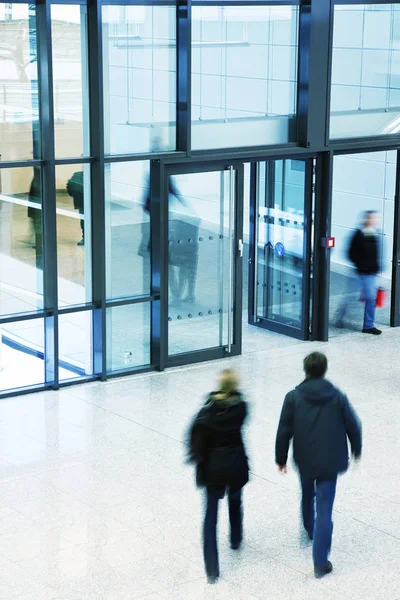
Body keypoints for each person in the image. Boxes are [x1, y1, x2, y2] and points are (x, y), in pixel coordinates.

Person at [275, 352, 362, 579]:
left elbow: (283, 430)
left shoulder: (293, 397)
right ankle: (320, 562)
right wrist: (356, 448)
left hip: (305, 458)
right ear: (324, 370)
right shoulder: (337, 396)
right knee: (325, 508)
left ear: (306, 370)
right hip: (330, 460)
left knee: (306, 493)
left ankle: (309, 528)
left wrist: (281, 458)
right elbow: (353, 424)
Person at [187, 369, 249, 584]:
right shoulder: (241, 407)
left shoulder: (208, 413)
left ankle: (212, 568)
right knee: (235, 500)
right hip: (235, 463)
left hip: (213, 468)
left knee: (211, 516)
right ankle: (235, 538)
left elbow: (195, 438)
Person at [336, 210, 382, 335]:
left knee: (371, 299)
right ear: (366, 219)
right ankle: (339, 317)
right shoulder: (357, 234)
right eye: (372, 218)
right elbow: (350, 253)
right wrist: (360, 264)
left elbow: (376, 254)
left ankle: (368, 325)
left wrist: (377, 268)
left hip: (371, 273)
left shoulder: (375, 234)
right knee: (352, 297)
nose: (375, 221)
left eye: (376, 219)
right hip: (359, 272)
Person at [66, 171, 84, 246]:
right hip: (83, 202)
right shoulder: (77, 175)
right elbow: (70, 186)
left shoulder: (77, 175)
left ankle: (86, 237)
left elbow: (69, 186)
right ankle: (87, 237)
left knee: (84, 220)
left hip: (82, 202)